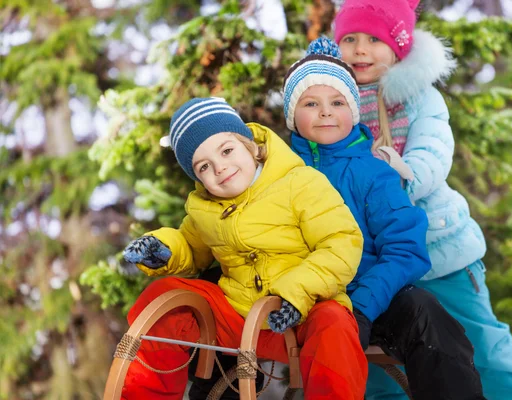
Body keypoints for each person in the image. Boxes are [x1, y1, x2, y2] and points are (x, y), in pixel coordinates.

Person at [332, 1, 512, 398]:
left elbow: (433, 152)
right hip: (376, 264)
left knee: (485, 352)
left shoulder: (420, 98)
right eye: (349, 39)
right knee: (381, 370)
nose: (360, 50)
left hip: (441, 254)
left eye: (374, 39)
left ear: (399, 46)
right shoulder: (334, 103)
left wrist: (398, 177)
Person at [121, 97, 368, 399]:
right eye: (204, 167)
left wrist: (297, 293)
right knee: (164, 298)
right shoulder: (206, 209)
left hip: (303, 311)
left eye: (226, 150)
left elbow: (341, 241)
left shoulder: (300, 183)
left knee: (335, 326)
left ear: (248, 143)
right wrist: (164, 249)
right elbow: (191, 246)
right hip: (237, 313)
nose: (220, 167)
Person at [283, 36, 485, 400]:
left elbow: (404, 248)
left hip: (369, 299)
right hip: (305, 302)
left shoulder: (375, 173)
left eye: (338, 102)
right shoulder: (281, 176)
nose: (326, 112)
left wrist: (361, 305)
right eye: (311, 103)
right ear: (292, 116)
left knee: (428, 315)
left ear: (354, 110)